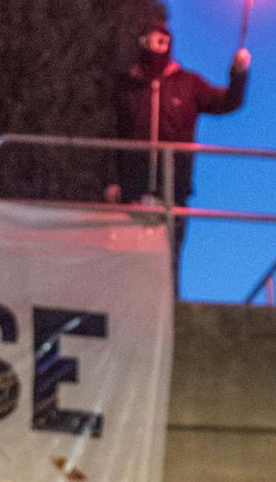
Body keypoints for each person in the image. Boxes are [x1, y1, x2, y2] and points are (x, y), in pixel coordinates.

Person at [105, 21, 250, 289]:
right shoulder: (126, 86)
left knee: (169, 253)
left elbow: (228, 101)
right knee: (129, 253)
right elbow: (113, 133)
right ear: (142, 43)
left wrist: (238, 74)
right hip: (133, 185)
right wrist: (112, 180)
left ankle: (172, 311)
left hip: (175, 185)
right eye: (152, 40)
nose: (158, 46)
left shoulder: (188, 83)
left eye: (164, 41)